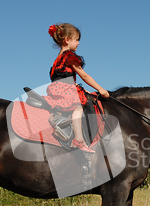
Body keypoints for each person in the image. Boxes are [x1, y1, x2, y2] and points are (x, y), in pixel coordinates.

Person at [45, 23, 109, 153]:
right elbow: (84, 76)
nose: (78, 43)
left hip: (55, 89)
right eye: (77, 39)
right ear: (67, 40)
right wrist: (101, 89)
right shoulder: (70, 56)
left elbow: (61, 77)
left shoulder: (57, 60)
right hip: (65, 89)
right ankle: (79, 140)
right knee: (77, 108)